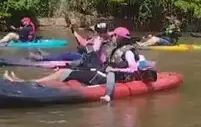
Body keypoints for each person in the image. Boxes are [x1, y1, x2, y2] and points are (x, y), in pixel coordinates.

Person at [5, 27, 144, 89]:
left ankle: (25, 82)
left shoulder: (127, 52)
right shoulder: (111, 47)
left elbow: (133, 69)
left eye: (114, 35)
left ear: (119, 37)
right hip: (102, 73)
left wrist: (115, 71)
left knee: (64, 73)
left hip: (107, 77)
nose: (112, 36)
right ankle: (28, 82)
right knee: (62, 72)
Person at [28, 22, 111, 62]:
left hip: (88, 59)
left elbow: (89, 47)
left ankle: (42, 58)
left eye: (103, 32)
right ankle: (47, 55)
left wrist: (75, 33)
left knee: (66, 55)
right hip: (86, 56)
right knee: (67, 53)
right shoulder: (97, 38)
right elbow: (85, 44)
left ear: (107, 31)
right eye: (100, 32)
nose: (101, 34)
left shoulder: (105, 39)